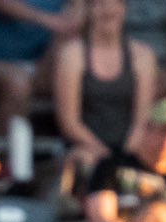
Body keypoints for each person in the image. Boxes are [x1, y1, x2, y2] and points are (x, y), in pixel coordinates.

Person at [52, 0, 155, 179]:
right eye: (100, 3)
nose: (108, 10)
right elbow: (69, 123)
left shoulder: (143, 56)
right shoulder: (72, 55)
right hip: (85, 147)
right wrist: (105, 154)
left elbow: (142, 120)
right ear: (89, 9)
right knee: (86, 164)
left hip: (129, 147)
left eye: (116, 3)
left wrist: (126, 154)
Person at [0, 0, 75, 133]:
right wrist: (47, 20)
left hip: (48, 61)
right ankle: (9, 151)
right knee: (19, 84)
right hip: (1, 59)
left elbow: (76, 14)